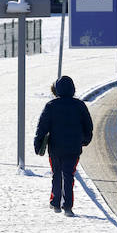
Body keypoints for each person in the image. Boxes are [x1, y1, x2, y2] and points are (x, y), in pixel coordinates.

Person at [33, 76, 93, 217]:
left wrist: (38, 143)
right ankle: (67, 207)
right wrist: (85, 140)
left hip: (55, 147)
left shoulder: (51, 106)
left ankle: (55, 203)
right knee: (69, 175)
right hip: (73, 148)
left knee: (57, 174)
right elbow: (88, 126)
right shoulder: (80, 106)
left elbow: (42, 127)